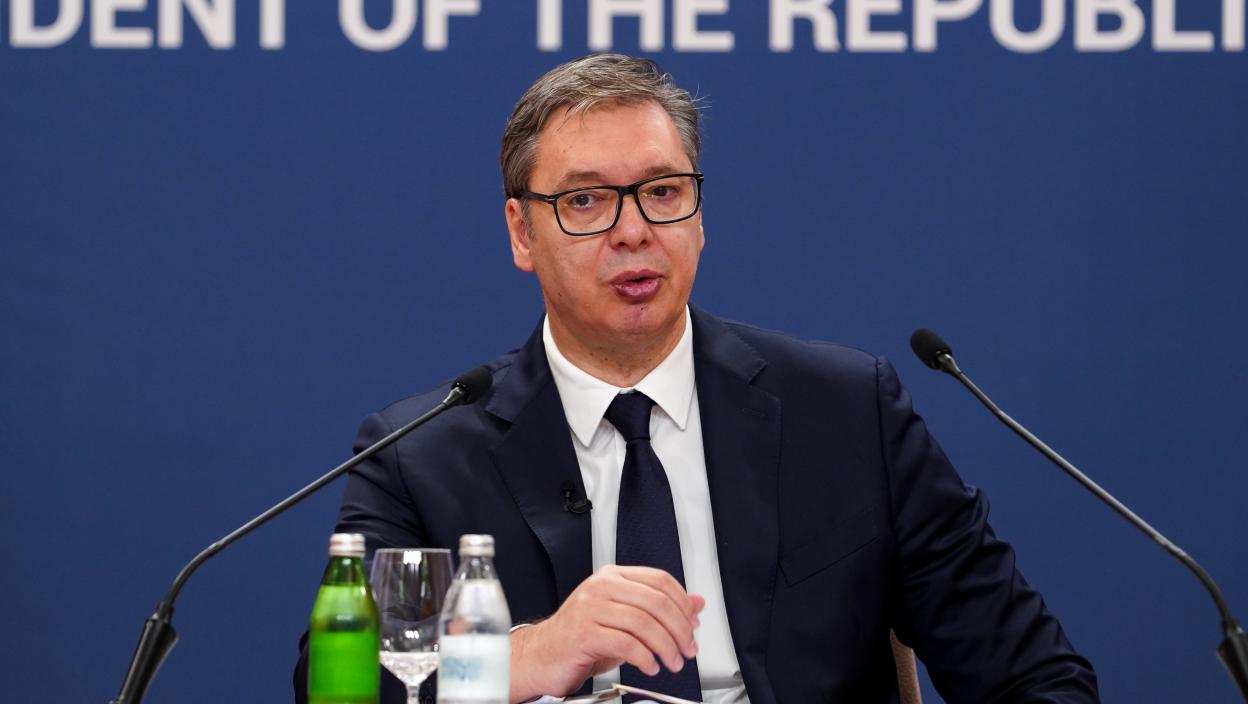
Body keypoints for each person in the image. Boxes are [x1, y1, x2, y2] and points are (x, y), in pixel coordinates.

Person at [295, 54, 1099, 703]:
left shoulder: (847, 415)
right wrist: (525, 657)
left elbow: (1037, 678)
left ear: (700, 215)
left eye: (662, 192)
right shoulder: (423, 456)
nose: (634, 231)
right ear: (522, 232)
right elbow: (338, 687)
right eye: (586, 201)